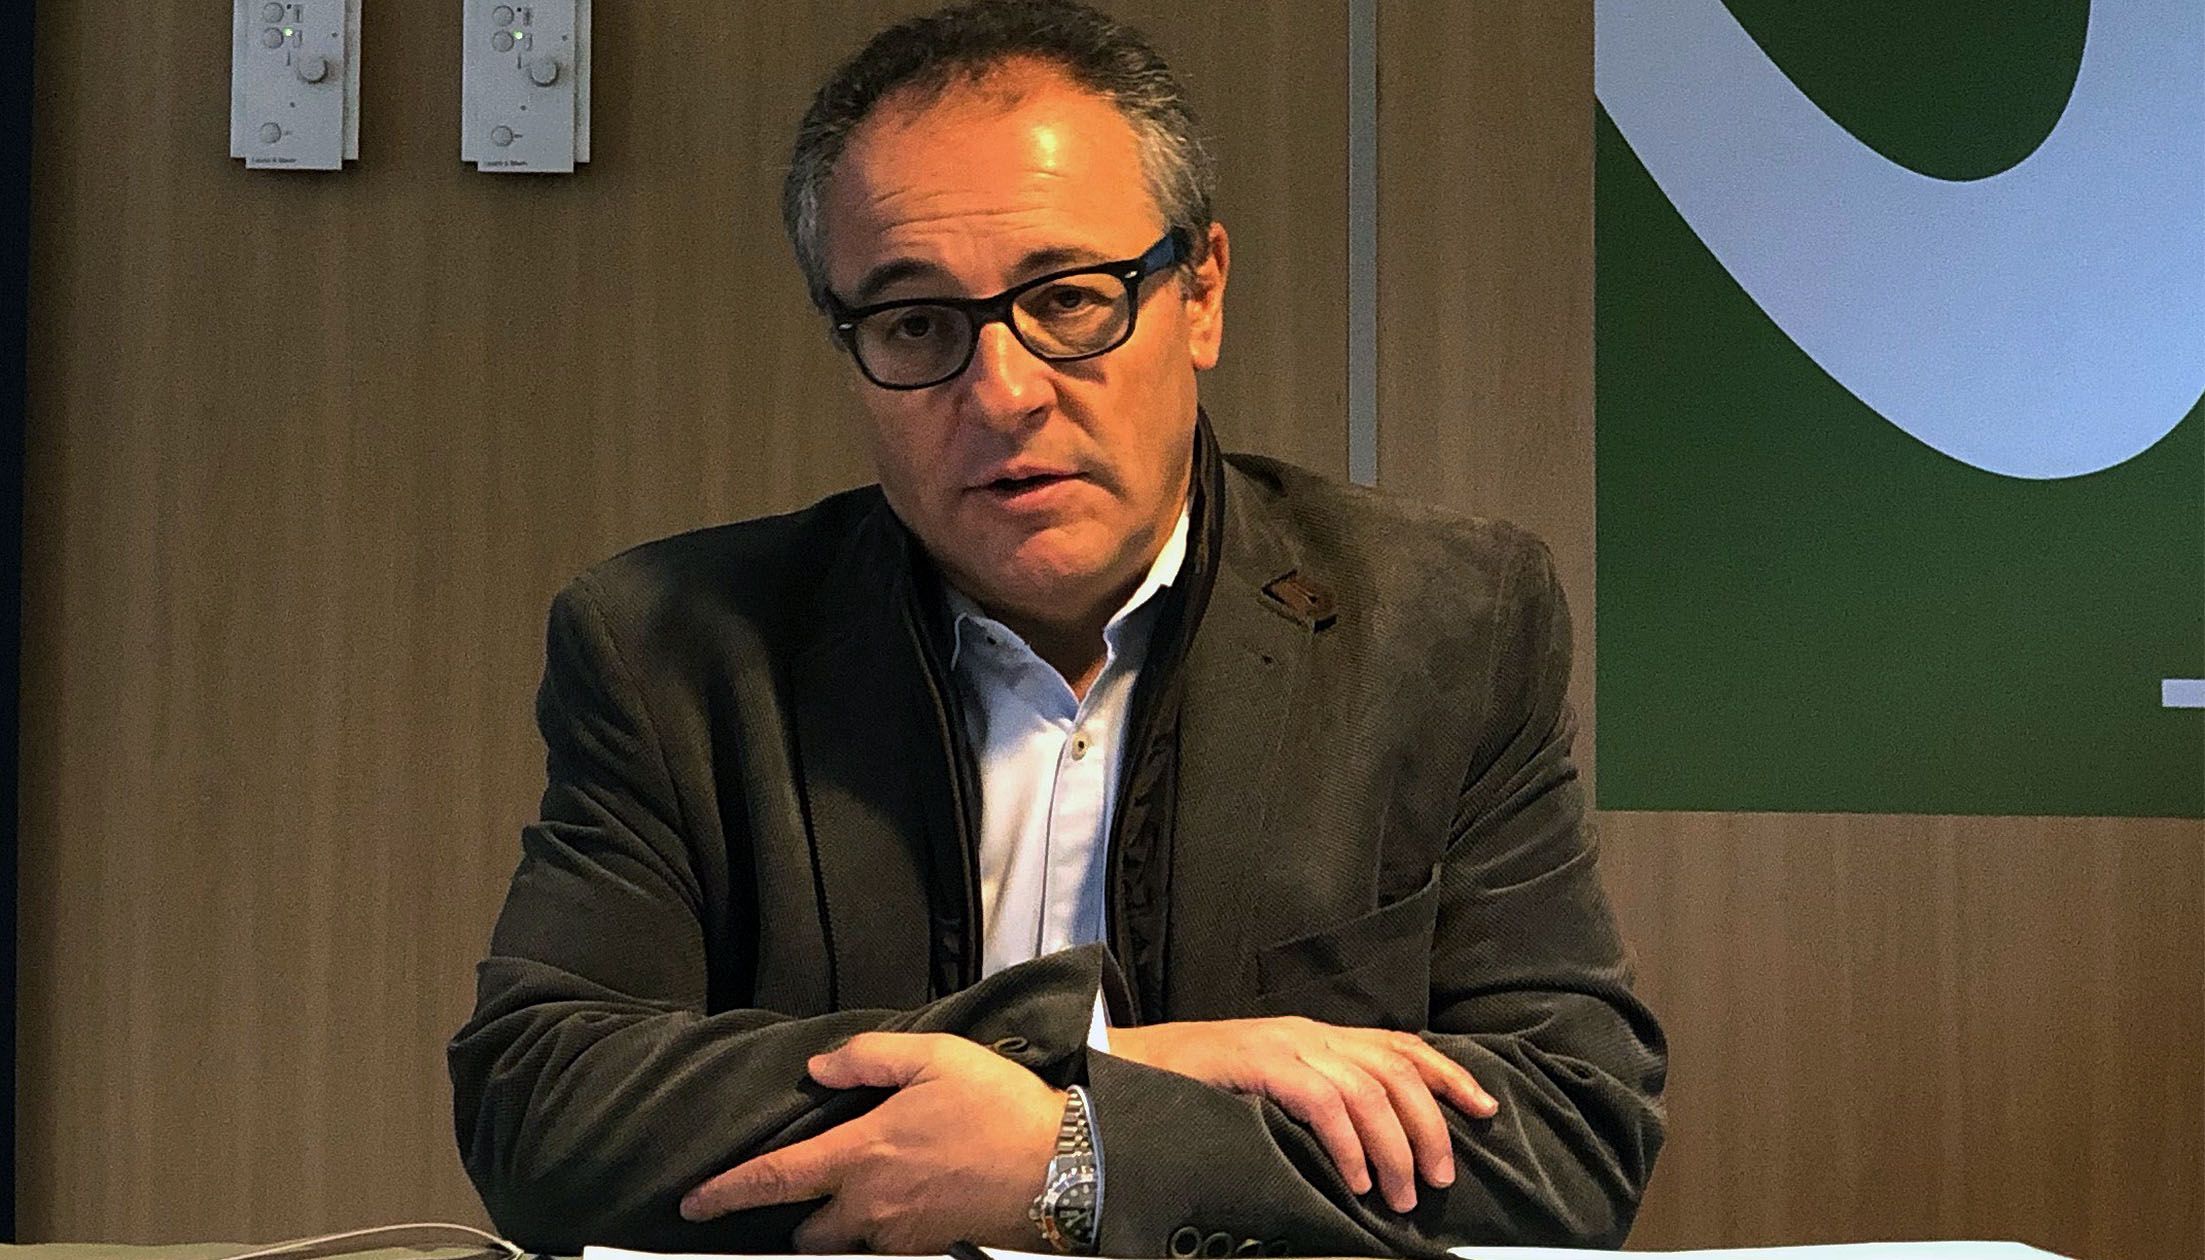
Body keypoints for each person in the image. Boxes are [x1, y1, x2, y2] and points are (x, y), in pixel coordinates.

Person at [447, 2, 1666, 1256]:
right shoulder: (672, 648)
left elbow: (1564, 1137)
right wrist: (1115, 1054)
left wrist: (1074, 1155)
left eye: (1072, 300)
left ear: (1201, 294)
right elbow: (544, 1109)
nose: (1004, 392)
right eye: (916, 325)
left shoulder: (1444, 626)